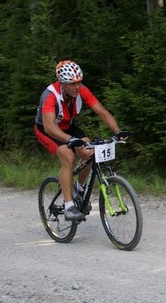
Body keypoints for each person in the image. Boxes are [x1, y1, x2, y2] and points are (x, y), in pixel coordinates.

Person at [35, 60, 129, 222]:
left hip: (67, 126)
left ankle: (79, 189)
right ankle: (69, 206)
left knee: (90, 153)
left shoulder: (81, 90)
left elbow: (102, 112)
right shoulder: (50, 96)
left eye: (79, 82)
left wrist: (117, 131)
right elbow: (49, 127)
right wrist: (70, 139)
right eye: (72, 84)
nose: (77, 87)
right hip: (46, 130)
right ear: (62, 83)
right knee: (68, 157)